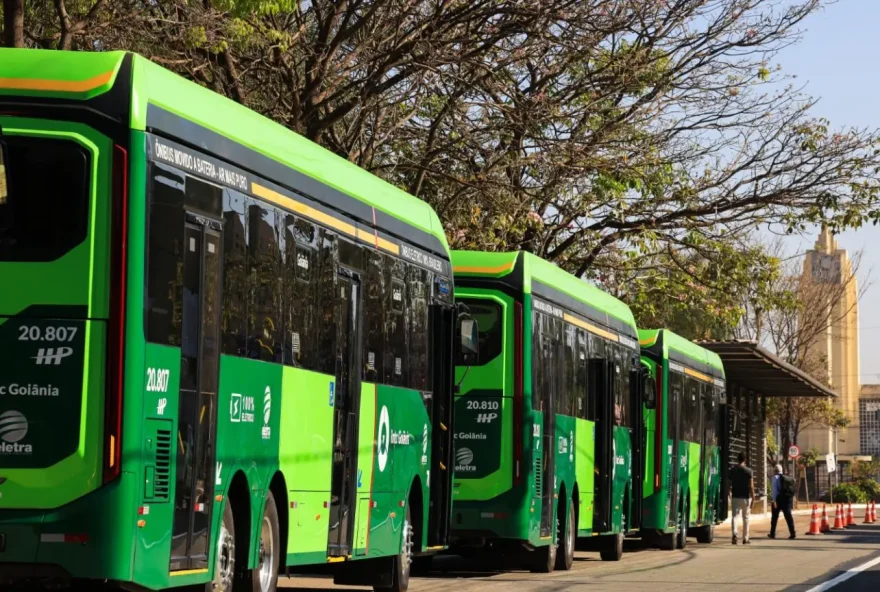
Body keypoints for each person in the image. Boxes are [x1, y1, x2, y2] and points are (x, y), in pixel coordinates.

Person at [728, 452, 754, 545]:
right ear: (745, 459)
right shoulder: (749, 471)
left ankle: (735, 534)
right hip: (745, 498)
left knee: (735, 516)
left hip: (735, 496)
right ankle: (745, 538)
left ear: (737, 459)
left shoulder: (732, 470)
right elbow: (751, 486)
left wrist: (729, 492)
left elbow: (729, 483)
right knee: (746, 518)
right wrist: (753, 497)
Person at [768, 464, 797, 539]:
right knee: (788, 516)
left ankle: (772, 533)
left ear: (775, 471)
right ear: (781, 471)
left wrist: (774, 501)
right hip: (787, 500)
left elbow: (774, 491)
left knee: (774, 517)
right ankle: (792, 533)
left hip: (778, 500)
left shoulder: (775, 478)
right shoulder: (786, 478)